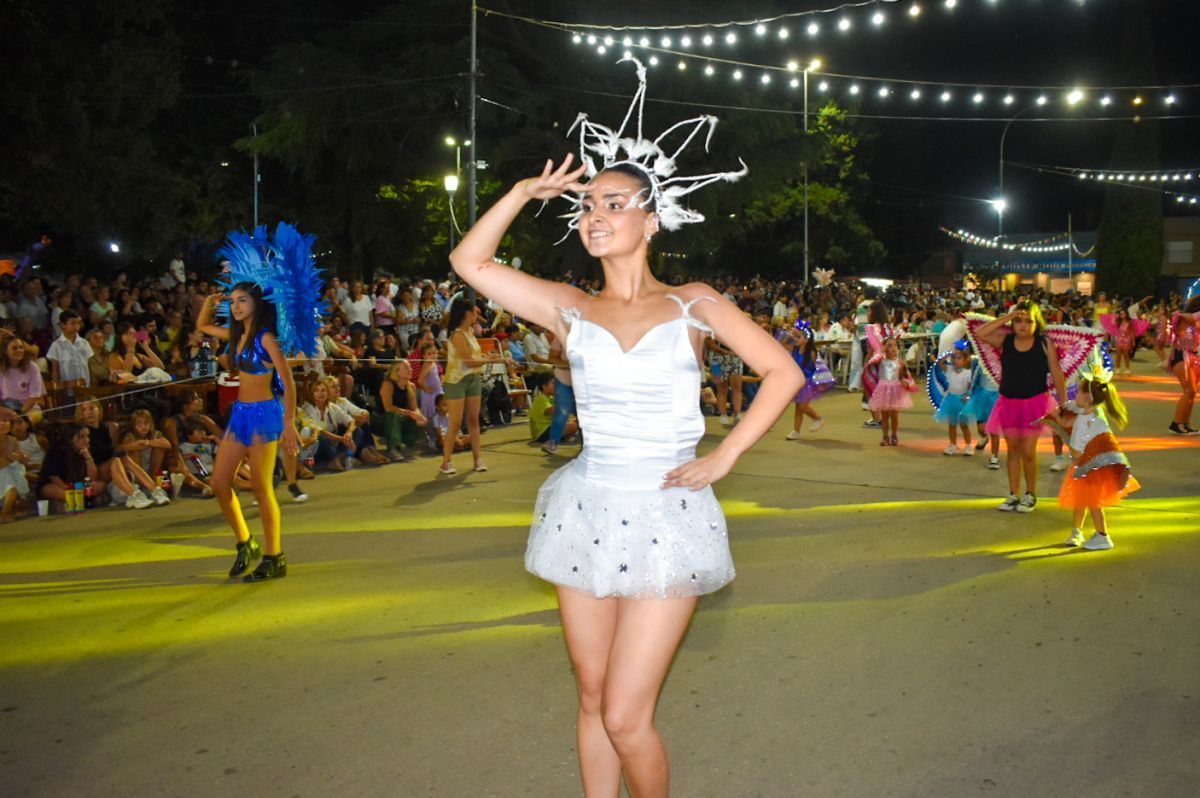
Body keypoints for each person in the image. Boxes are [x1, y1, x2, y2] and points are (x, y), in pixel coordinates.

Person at [448, 60, 800, 792]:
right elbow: (469, 260)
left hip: (668, 511)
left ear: (652, 216)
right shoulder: (568, 306)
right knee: (590, 695)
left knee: (627, 717)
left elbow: (784, 373)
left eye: (613, 204)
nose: (594, 217)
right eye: (586, 208)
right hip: (587, 507)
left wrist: (726, 455)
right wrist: (521, 192)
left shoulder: (693, 303)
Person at [196, 278, 301, 582]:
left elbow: (288, 381)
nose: (236, 306)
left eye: (242, 300)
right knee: (219, 482)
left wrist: (289, 421)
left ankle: (274, 556)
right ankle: (246, 542)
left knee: (261, 486)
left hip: (265, 415)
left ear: (257, 303)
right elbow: (203, 326)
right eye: (233, 301)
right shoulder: (235, 334)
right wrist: (208, 303)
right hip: (240, 414)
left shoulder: (266, 338)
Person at [974, 301, 1068, 512]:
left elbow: (1056, 372)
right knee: (1013, 450)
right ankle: (1013, 494)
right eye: (1018, 321)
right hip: (1008, 403)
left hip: (1035, 403)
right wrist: (1008, 317)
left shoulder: (1044, 343)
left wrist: (1064, 403)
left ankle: (1030, 493)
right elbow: (981, 333)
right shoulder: (1005, 340)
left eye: (1028, 321)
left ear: (1037, 323)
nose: (1023, 325)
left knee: (1028, 451)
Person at [1053, 356, 1139, 550]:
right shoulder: (1091, 413)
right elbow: (1073, 413)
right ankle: (1077, 531)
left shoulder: (1089, 420)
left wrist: (1074, 455)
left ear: (1087, 397)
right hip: (1088, 466)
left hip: (1088, 467)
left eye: (1079, 391)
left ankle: (1103, 535)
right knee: (1081, 500)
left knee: (1092, 503)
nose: (1075, 393)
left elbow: (1077, 447)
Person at [439, 297, 499, 475]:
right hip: (456, 381)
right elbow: (468, 361)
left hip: (473, 379)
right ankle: (446, 461)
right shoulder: (457, 334)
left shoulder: (471, 332)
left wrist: (489, 358)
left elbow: (475, 360)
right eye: (474, 311)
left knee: (473, 420)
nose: (477, 315)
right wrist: (492, 359)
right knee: (455, 423)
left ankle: (478, 458)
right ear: (466, 314)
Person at [75, 399, 166, 509]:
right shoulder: (82, 431)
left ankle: (155, 491)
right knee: (116, 460)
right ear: (81, 413)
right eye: (84, 410)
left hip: (111, 465)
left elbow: (115, 450)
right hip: (94, 470)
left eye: (91, 408)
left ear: (99, 409)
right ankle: (134, 495)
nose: (89, 412)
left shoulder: (108, 427)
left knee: (124, 458)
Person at [779, 320, 835, 440]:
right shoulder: (794, 349)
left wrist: (820, 383)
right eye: (796, 337)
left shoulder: (811, 353)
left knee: (803, 406)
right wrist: (790, 333)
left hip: (809, 382)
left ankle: (817, 418)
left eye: (799, 337)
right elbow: (781, 344)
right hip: (798, 382)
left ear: (807, 339)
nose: (796, 339)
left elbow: (818, 368)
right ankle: (796, 431)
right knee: (798, 408)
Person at [371, 360, 427, 462]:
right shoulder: (388, 384)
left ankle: (404, 443)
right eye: (406, 367)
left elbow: (415, 407)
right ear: (396, 371)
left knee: (421, 419)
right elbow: (388, 407)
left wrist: (419, 416)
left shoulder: (411, 386)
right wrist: (410, 413)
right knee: (393, 415)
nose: (410, 369)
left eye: (410, 367)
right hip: (380, 420)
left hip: (398, 417)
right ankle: (392, 448)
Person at [867, 336, 915, 446]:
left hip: (896, 389)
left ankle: (894, 434)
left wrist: (905, 382)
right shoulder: (880, 361)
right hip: (883, 389)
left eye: (895, 345)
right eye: (889, 346)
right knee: (884, 415)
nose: (893, 348)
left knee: (894, 414)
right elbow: (870, 362)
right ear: (884, 348)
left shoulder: (900, 363)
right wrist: (880, 351)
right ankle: (885, 436)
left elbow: (904, 376)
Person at [933, 345, 977, 455]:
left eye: (959, 358)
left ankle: (968, 445)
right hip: (951, 400)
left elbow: (971, 387)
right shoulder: (950, 369)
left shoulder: (968, 373)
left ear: (965, 359)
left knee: (964, 425)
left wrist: (968, 396)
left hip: (962, 401)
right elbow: (940, 363)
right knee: (952, 424)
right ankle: (953, 444)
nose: (955, 361)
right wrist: (948, 355)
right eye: (954, 358)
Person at [1167, 297, 1199, 435]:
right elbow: (1190, 317)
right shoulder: (1184, 319)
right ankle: (1176, 423)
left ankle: (1185, 423)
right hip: (1181, 356)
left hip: (1193, 358)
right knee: (1188, 390)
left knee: (1192, 391)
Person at [705, 334, 745, 426]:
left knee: (737, 386)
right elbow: (710, 344)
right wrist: (727, 352)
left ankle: (737, 414)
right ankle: (723, 415)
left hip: (736, 358)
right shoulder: (711, 326)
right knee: (721, 387)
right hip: (716, 360)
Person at [120, 409, 171, 478]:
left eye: (146, 422)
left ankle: (154, 479)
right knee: (135, 450)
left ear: (151, 423)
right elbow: (124, 447)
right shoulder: (130, 436)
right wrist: (139, 445)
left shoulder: (156, 434)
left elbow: (167, 445)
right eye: (139, 423)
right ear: (134, 426)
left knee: (159, 449)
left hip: (153, 468)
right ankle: (140, 480)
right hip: (137, 470)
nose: (143, 426)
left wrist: (146, 442)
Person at [0, 338, 44, 416]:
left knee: (27, 420)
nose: (19, 350)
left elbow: (34, 396)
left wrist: (20, 413)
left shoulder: (32, 367)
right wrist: (8, 412)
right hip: (6, 407)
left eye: (21, 347)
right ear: (5, 351)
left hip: (29, 407)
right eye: (14, 348)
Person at [0, 413, 32, 522]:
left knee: (9, 474)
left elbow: (19, 461)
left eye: (5, 420)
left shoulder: (12, 440)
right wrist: (9, 459)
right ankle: (5, 513)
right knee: (7, 476)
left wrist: (22, 457)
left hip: (10, 473)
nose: (2, 424)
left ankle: (6, 511)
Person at [529, 374, 577, 444]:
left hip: (548, 430)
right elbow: (551, 410)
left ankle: (564, 438)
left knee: (575, 423)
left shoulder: (550, 398)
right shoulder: (541, 398)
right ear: (544, 386)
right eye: (553, 384)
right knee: (573, 426)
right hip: (542, 433)